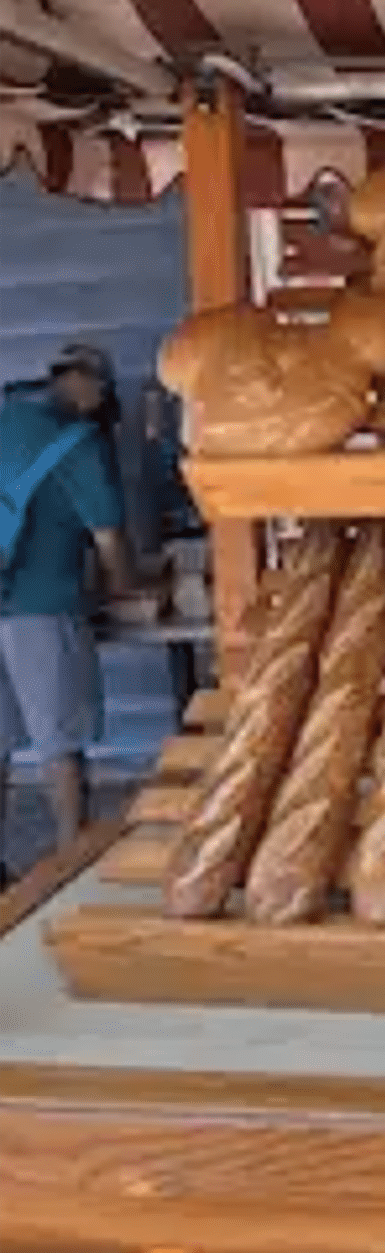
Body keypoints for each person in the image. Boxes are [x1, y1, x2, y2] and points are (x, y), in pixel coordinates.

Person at [0, 343, 139, 883]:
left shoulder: (8, 417)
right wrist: (125, 588)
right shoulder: (78, 444)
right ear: (90, 385)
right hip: (42, 609)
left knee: (3, 743)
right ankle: (70, 862)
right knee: (61, 744)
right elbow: (110, 542)